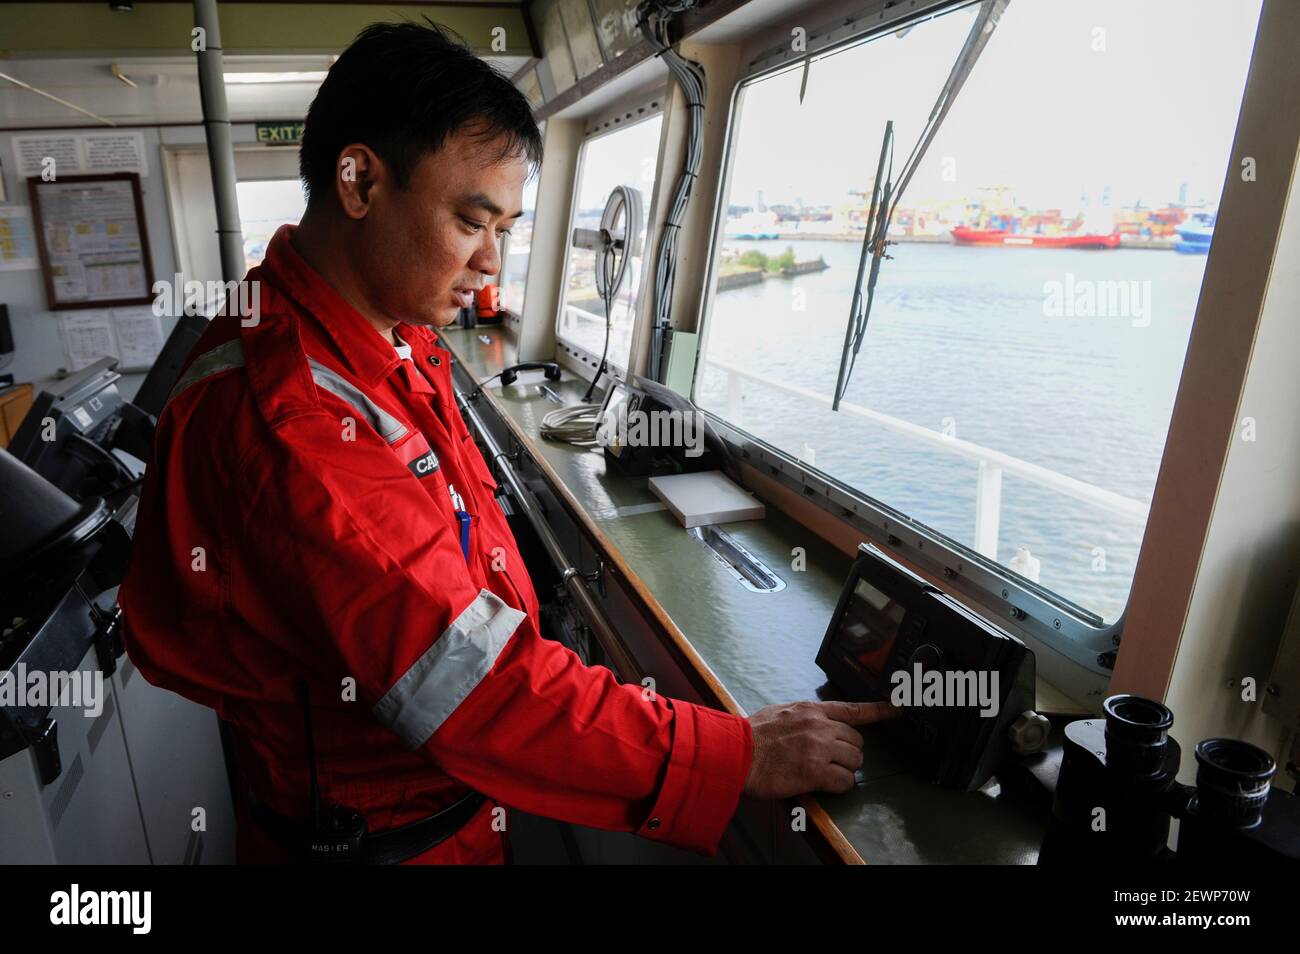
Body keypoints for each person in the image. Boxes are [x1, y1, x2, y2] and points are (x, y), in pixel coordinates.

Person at [119, 21, 893, 865]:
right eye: (469, 221)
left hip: (440, 809)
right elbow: (474, 689)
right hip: (385, 842)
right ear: (358, 181)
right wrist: (734, 754)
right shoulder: (294, 419)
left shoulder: (379, 329)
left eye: (509, 229)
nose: (493, 262)